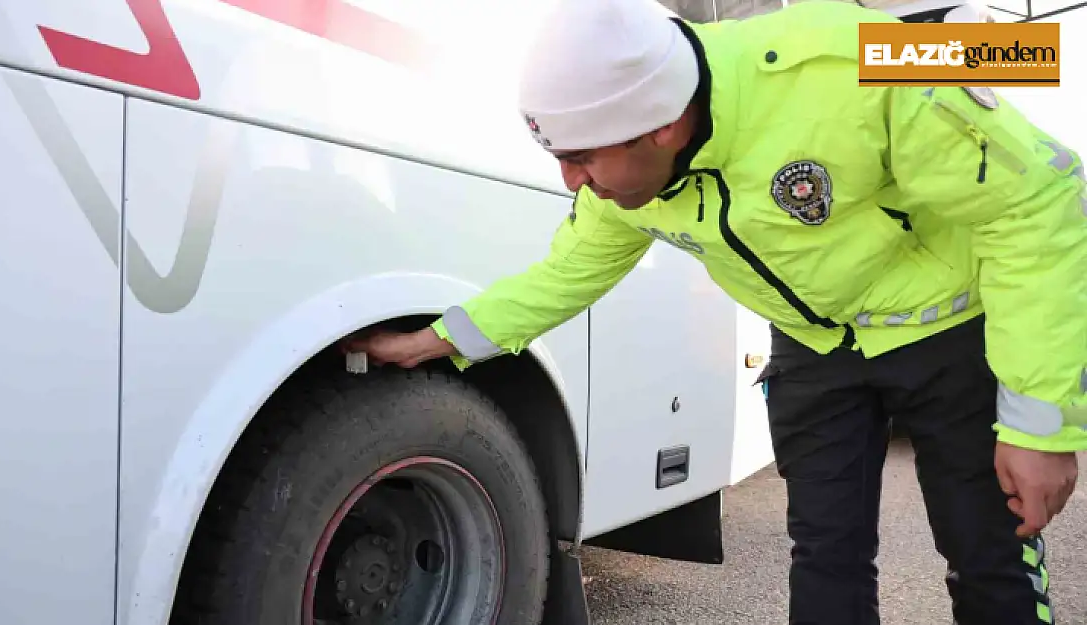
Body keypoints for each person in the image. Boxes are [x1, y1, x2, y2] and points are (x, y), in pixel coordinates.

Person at [344, 0, 1087, 623]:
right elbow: (565, 273)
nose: (571, 180)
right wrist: (438, 340)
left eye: (583, 158)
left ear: (661, 128)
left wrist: (1040, 423)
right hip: (814, 350)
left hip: (947, 334)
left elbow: (1041, 200)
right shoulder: (628, 178)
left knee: (988, 555)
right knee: (825, 557)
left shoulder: (860, 60)